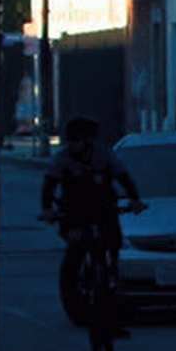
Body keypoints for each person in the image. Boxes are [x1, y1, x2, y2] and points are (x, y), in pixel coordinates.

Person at [38, 116, 145, 309]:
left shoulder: (104, 156)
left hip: (104, 208)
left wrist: (135, 199)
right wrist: (47, 209)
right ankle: (73, 287)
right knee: (74, 249)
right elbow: (49, 185)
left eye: (76, 141)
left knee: (113, 240)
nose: (72, 145)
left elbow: (123, 177)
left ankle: (112, 272)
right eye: (70, 141)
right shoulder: (62, 159)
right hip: (74, 212)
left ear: (87, 141)